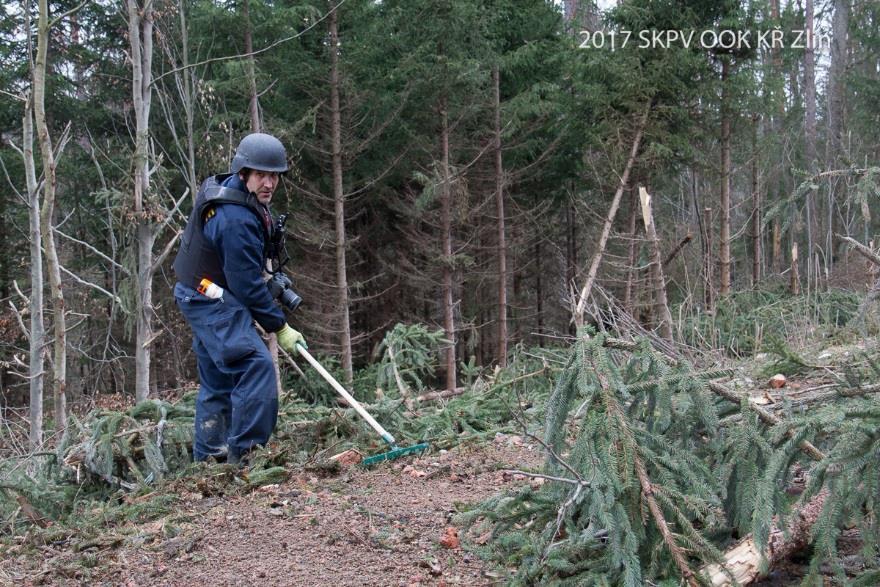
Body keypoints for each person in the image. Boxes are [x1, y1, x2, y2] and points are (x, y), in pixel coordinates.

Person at [172, 132, 306, 464]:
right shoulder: (233, 219)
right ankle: (246, 457)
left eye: (274, 175)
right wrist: (280, 326)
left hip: (199, 290)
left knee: (218, 379)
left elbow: (243, 268)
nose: (269, 183)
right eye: (261, 174)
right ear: (243, 171)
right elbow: (246, 285)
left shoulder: (233, 192)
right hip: (207, 297)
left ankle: (209, 461)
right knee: (255, 365)